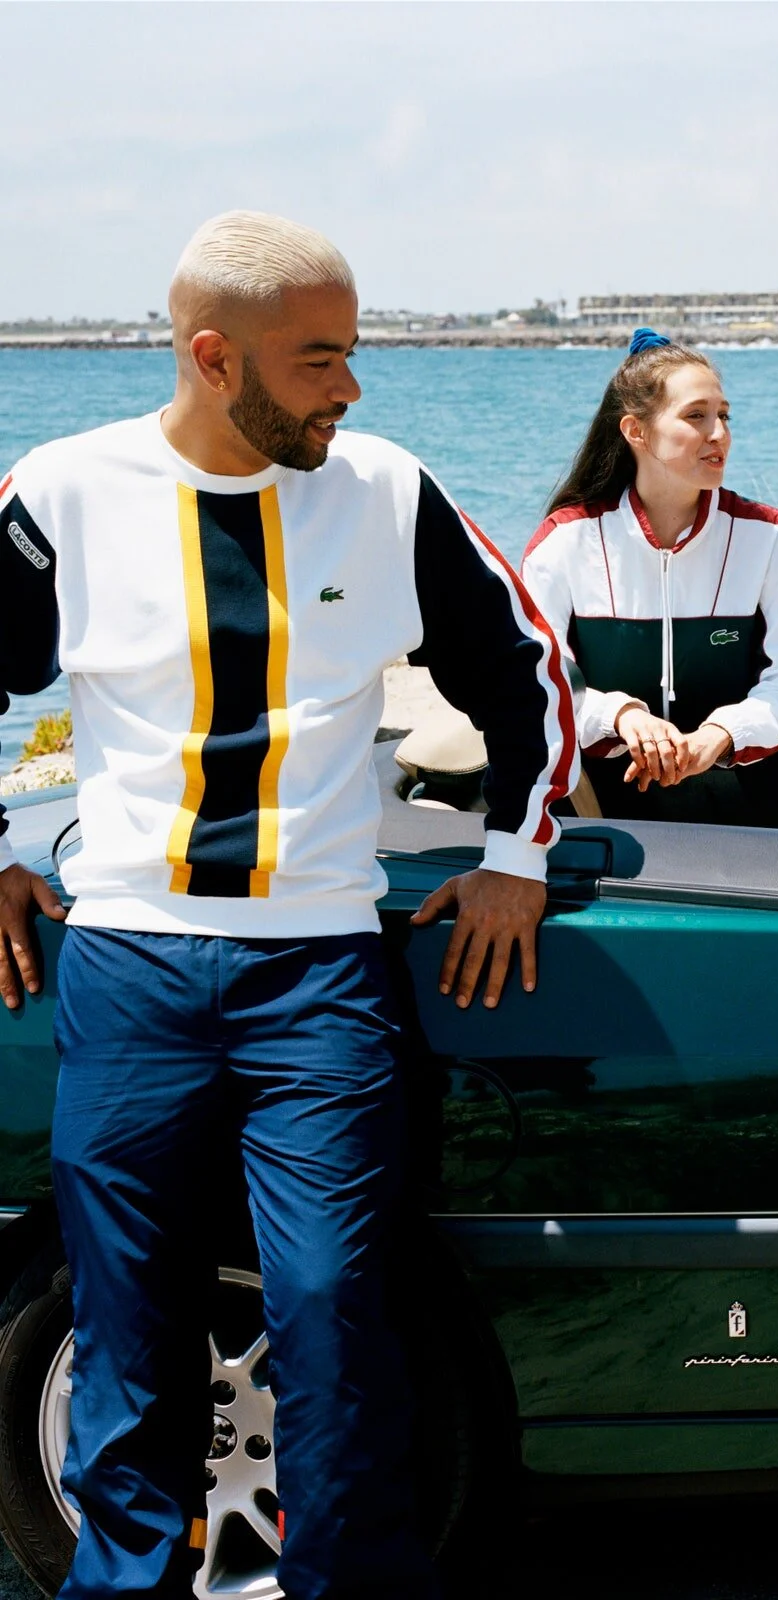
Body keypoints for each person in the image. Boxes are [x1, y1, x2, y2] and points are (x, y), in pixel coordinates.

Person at [0, 211, 575, 1599]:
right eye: (320, 359)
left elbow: (529, 675)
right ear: (214, 358)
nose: (351, 388)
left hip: (317, 977)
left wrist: (517, 854)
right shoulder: (64, 492)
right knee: (127, 1329)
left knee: (332, 1311)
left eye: (352, 353)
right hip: (129, 968)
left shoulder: (386, 491)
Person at [521, 328, 778, 820]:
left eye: (723, 415)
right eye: (696, 416)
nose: (719, 434)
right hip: (598, 804)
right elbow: (536, 679)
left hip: (745, 802)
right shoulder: (565, 540)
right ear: (636, 431)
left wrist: (721, 735)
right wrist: (620, 716)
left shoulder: (772, 539)